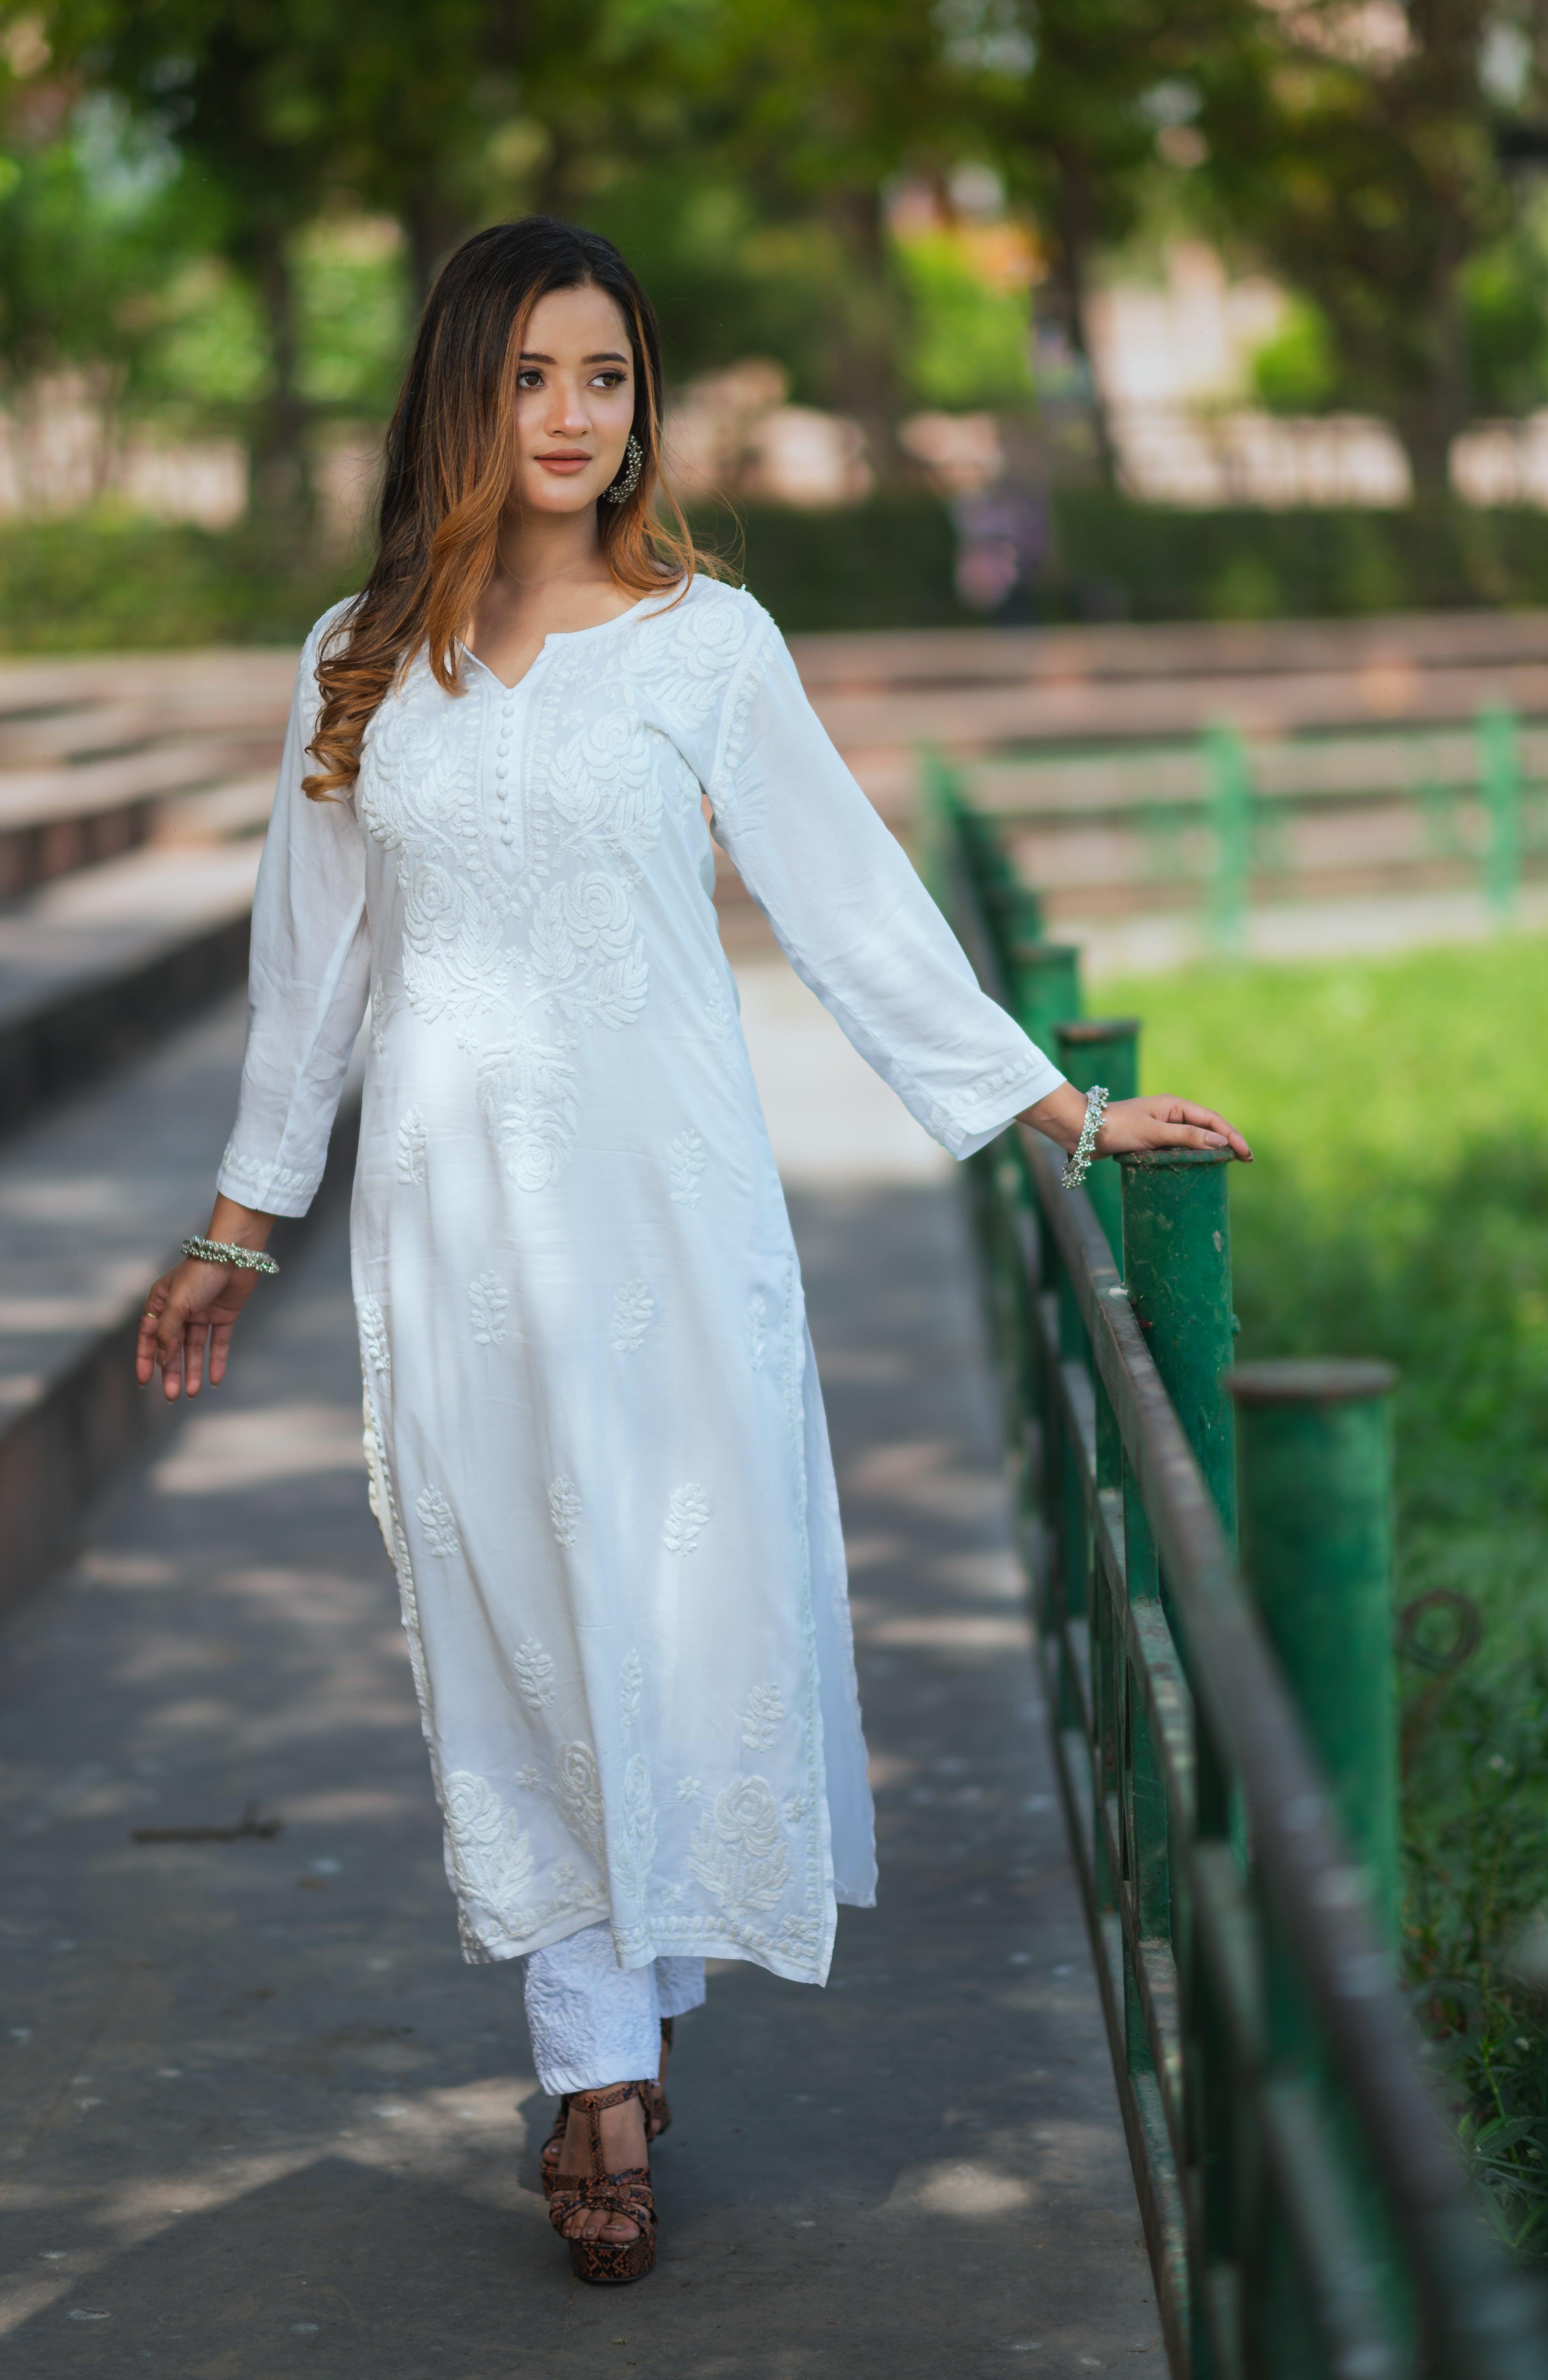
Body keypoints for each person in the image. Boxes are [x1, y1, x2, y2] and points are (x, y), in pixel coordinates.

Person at [135, 216, 1250, 2288]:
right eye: (533, 376)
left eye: (608, 379)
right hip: (451, 1232)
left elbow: (851, 903)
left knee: (662, 1615)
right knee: (508, 1632)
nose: (571, 417)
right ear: (463, 393)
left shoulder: (708, 643)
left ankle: (615, 2033)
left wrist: (1063, 1109)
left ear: (641, 406)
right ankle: (599, 2077)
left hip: (673, 1217)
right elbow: (313, 983)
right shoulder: (358, 653)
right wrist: (233, 1234)